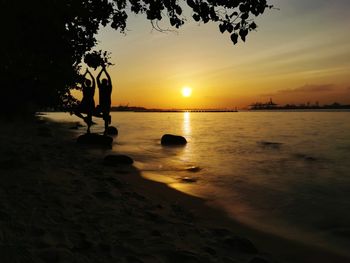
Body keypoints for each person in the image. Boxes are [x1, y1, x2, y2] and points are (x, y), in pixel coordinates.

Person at [74, 68, 95, 133]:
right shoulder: (92, 88)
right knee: (89, 116)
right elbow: (93, 80)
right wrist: (90, 73)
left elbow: (82, 80)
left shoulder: (86, 88)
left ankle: (86, 124)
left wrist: (86, 73)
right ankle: (88, 127)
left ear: (86, 83)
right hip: (89, 102)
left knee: (77, 111)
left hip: (86, 102)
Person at [97, 65, 112, 135]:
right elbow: (98, 78)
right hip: (102, 104)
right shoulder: (101, 87)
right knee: (97, 113)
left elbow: (108, 78)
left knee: (105, 119)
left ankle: (106, 130)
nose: (103, 82)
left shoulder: (108, 87)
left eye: (103, 82)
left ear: (105, 82)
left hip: (106, 104)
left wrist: (103, 70)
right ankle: (108, 117)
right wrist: (104, 70)